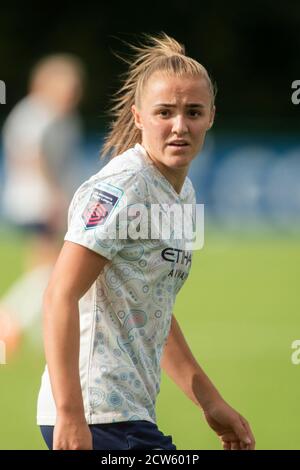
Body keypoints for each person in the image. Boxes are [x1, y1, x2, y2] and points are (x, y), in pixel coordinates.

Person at [37, 33, 255, 451]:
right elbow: (58, 296)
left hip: (128, 414)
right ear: (139, 117)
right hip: (96, 416)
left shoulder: (183, 195)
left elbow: (152, 304)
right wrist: (70, 414)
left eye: (193, 112)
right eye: (164, 112)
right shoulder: (121, 188)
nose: (179, 125)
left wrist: (210, 402)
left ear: (211, 116)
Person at [0, 54, 85, 352]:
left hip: (46, 200)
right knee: (51, 268)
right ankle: (9, 317)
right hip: (36, 201)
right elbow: (31, 157)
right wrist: (54, 197)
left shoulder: (59, 117)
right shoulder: (35, 115)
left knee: (47, 265)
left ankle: (35, 323)